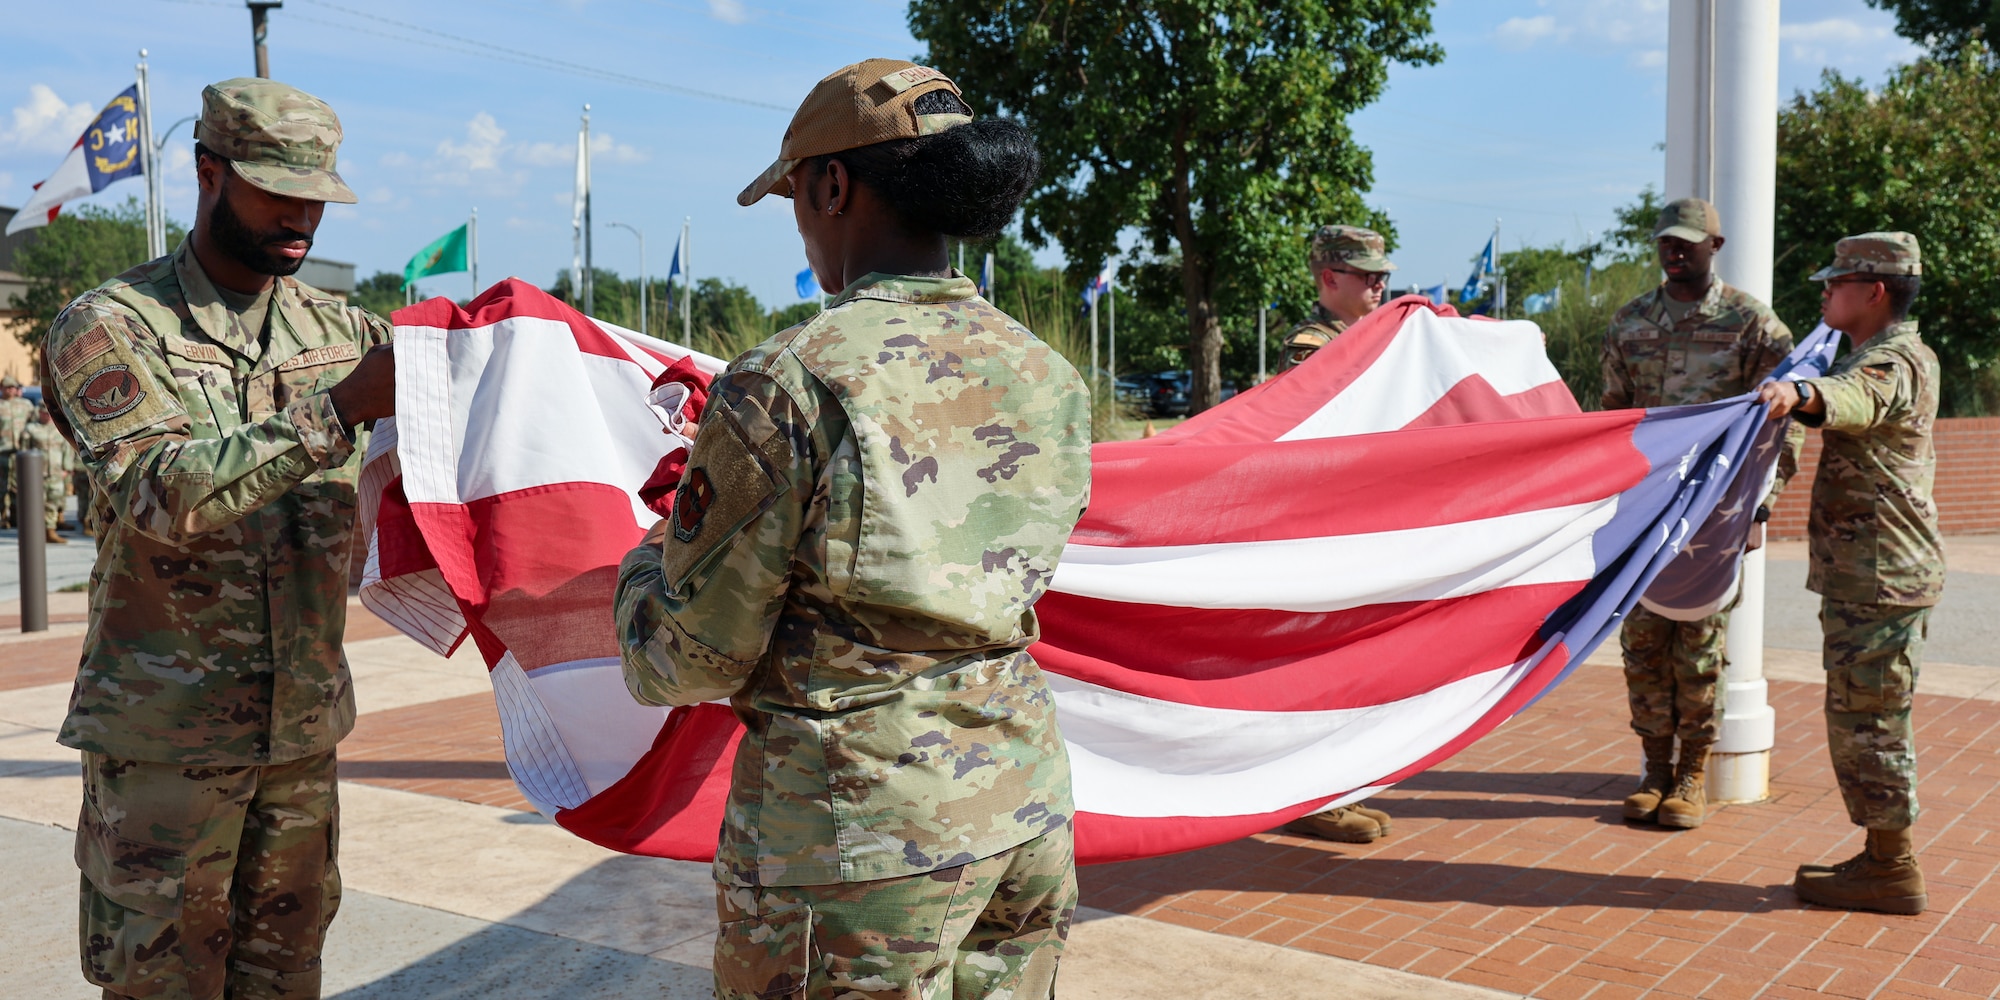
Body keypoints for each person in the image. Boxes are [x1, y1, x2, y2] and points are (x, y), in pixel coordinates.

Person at [615, 58, 1090, 1000]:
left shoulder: (789, 378)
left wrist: (641, 563)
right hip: (1022, 813)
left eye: (795, 193)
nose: (800, 217)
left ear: (832, 185)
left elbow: (691, 657)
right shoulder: (1047, 373)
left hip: (853, 844)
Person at [40, 78, 395, 998]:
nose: (302, 216)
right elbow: (162, 491)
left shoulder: (344, 330)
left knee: (286, 982)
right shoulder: (111, 325)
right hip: (164, 749)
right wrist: (342, 408)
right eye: (278, 189)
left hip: (300, 744)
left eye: (316, 195)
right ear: (208, 173)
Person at [1757, 232, 1940, 916]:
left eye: (1837, 282)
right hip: (1871, 573)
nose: (1825, 291)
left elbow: (1852, 399)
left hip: (1881, 575)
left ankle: (1892, 866)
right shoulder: (1879, 353)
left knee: (1872, 719)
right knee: (1863, 714)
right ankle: (1882, 857)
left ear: (1875, 292)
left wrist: (1795, 393)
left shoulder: (1892, 360)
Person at [1600, 197, 1796, 830]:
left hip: (1716, 512)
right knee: (1643, 645)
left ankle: (1691, 775)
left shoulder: (1753, 325)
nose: (1674, 251)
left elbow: (1779, 428)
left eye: (1687, 242)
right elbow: (1612, 419)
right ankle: (1654, 769)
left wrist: (1761, 509)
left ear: (1716, 245)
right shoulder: (1630, 322)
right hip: (1646, 509)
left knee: (1701, 649)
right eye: (1666, 241)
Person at [1278, 225, 1396, 371]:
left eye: (1382, 276)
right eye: (1370, 276)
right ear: (1330, 279)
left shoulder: (1380, 336)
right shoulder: (1312, 348)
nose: (1381, 285)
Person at [15, 403, 75, 543]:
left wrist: (66, 469)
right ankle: (35, 532)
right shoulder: (31, 429)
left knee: (53, 502)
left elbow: (67, 450)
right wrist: (25, 472)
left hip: (56, 473)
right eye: (44, 413)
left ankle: (50, 531)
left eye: (48, 413)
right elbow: (23, 451)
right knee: (36, 504)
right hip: (36, 474)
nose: (47, 416)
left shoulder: (59, 429)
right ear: (39, 413)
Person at [0, 375, 35, 527]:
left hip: (21, 454)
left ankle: (16, 515)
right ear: (2, 389)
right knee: (2, 486)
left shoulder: (25, 405)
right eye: (7, 387)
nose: (10, 390)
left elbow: (34, 425)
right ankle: (3, 516)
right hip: (2, 452)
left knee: (19, 485)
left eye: (13, 387)